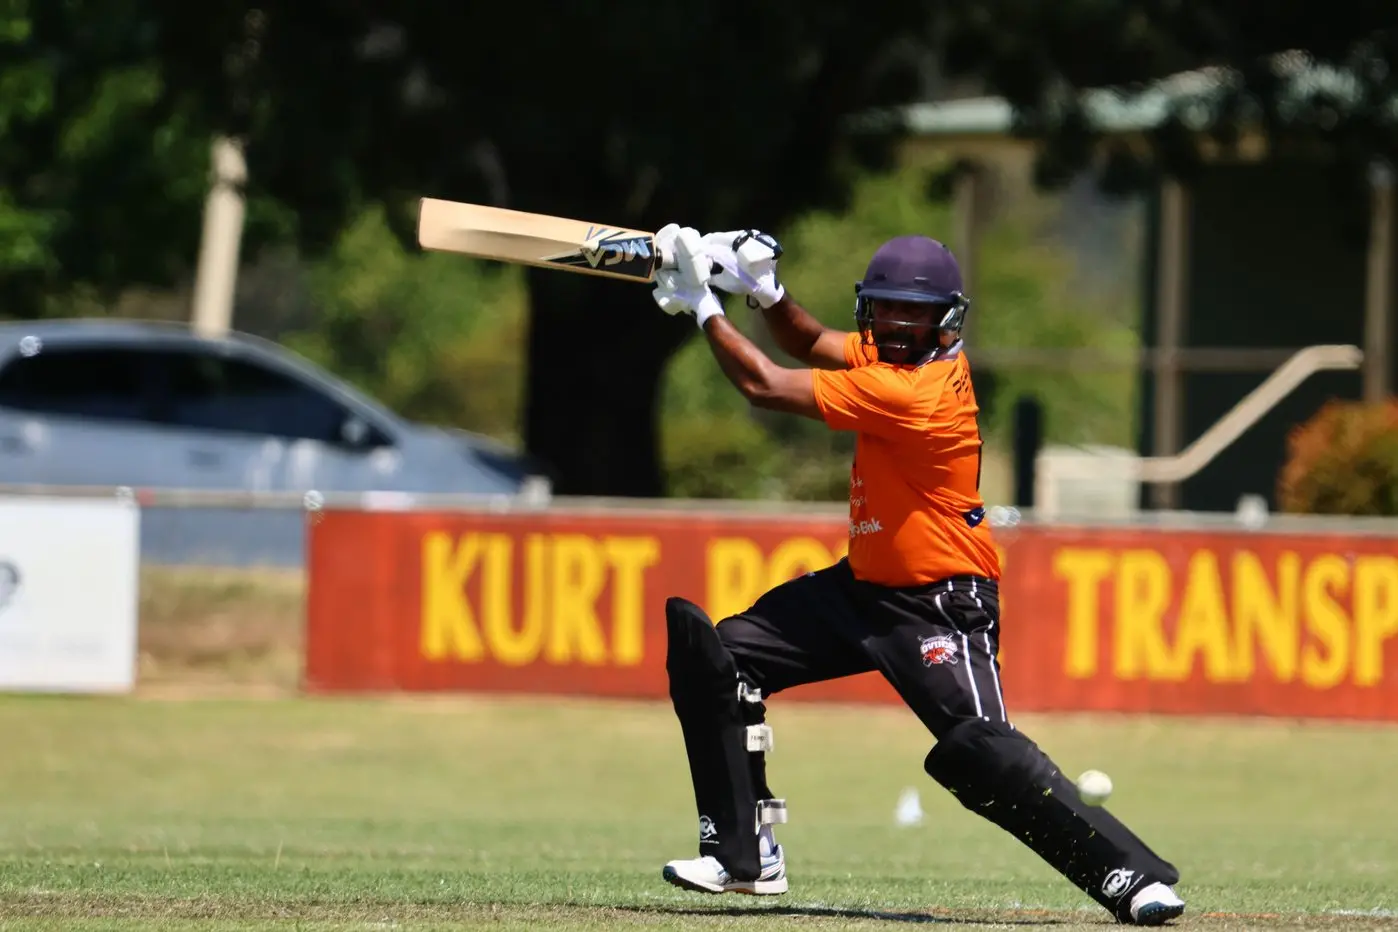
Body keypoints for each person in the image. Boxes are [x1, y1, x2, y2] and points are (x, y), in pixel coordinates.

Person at [646, 225, 1186, 926]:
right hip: (860, 591)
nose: (899, 325)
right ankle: (744, 857)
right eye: (887, 308)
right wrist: (765, 293)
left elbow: (764, 385)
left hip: (941, 602)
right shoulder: (891, 353)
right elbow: (811, 345)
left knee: (983, 754)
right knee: (723, 657)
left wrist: (703, 307)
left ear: (947, 320)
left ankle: (1133, 879)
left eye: (915, 313)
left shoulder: (919, 392)